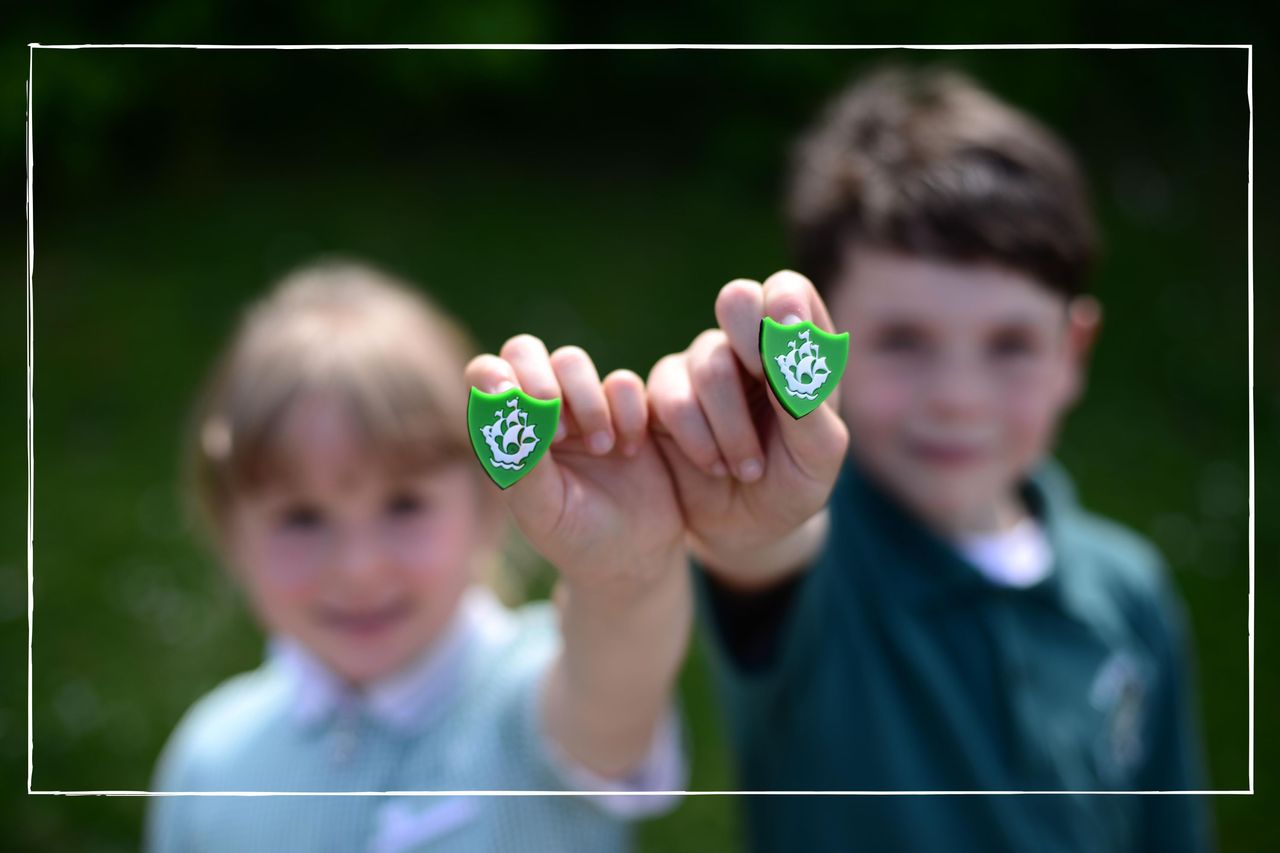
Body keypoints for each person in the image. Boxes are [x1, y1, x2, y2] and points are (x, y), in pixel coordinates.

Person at [646, 67, 1211, 851]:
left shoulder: (1130, 593)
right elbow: (759, 541)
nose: (958, 398)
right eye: (903, 340)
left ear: (1072, 349)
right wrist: (748, 478)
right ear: (819, 335)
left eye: (1010, 344)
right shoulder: (819, 565)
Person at [146, 260, 690, 852]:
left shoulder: (534, 697)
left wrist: (622, 572)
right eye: (300, 518)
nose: (358, 567)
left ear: (490, 502)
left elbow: (615, 693)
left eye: (404, 505)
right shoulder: (211, 760)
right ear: (229, 532)